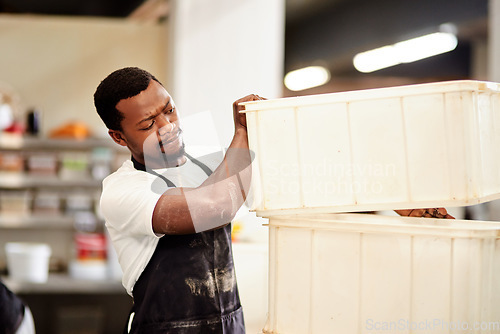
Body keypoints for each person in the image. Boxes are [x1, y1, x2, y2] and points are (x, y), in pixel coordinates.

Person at [94, 67, 260, 333]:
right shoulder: (122, 190)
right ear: (119, 137)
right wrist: (242, 132)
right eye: (148, 124)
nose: (168, 127)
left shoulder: (213, 163)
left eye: (169, 110)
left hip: (229, 326)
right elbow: (216, 207)